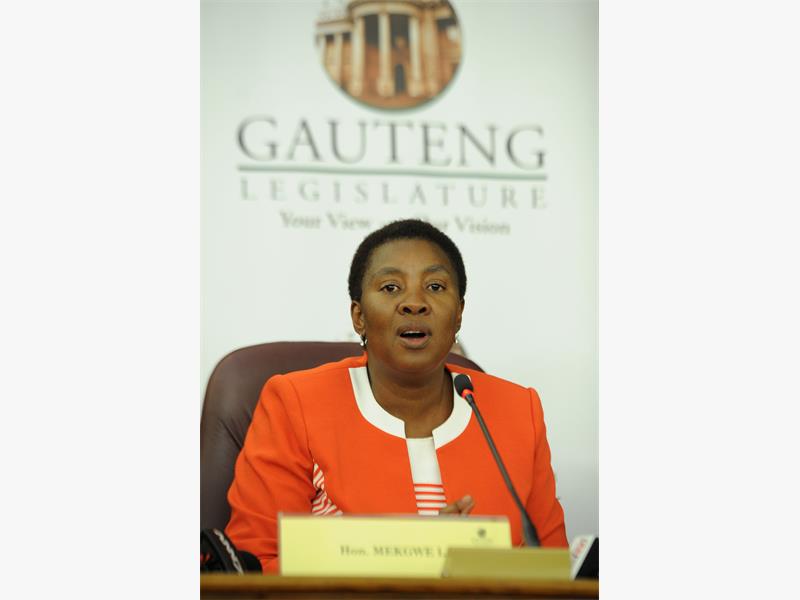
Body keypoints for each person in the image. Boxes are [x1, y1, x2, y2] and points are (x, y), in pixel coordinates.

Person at [225, 219, 567, 573]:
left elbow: (552, 570)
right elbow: (252, 567)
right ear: (358, 316)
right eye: (390, 287)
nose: (414, 303)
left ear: (459, 314)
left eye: (435, 286)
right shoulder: (296, 403)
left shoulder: (516, 411)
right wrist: (419, 559)